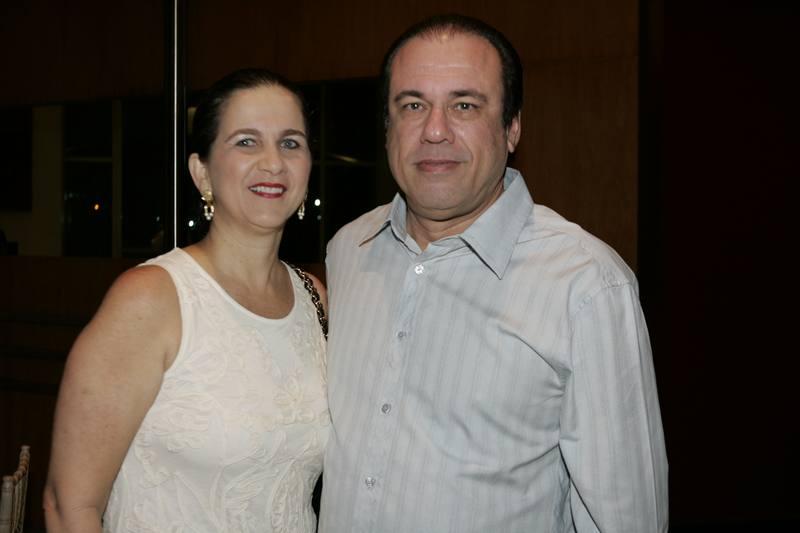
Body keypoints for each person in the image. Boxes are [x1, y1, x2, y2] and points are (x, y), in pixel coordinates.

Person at [320, 14, 668, 533]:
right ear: (388, 128)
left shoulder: (587, 285)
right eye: (412, 105)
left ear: (512, 128)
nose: (434, 130)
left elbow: (626, 518)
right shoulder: (349, 251)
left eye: (465, 105)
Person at [44, 68, 330, 532]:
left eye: (290, 143)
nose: (273, 162)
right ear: (202, 172)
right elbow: (68, 505)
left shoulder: (315, 299)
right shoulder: (150, 299)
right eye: (246, 142)